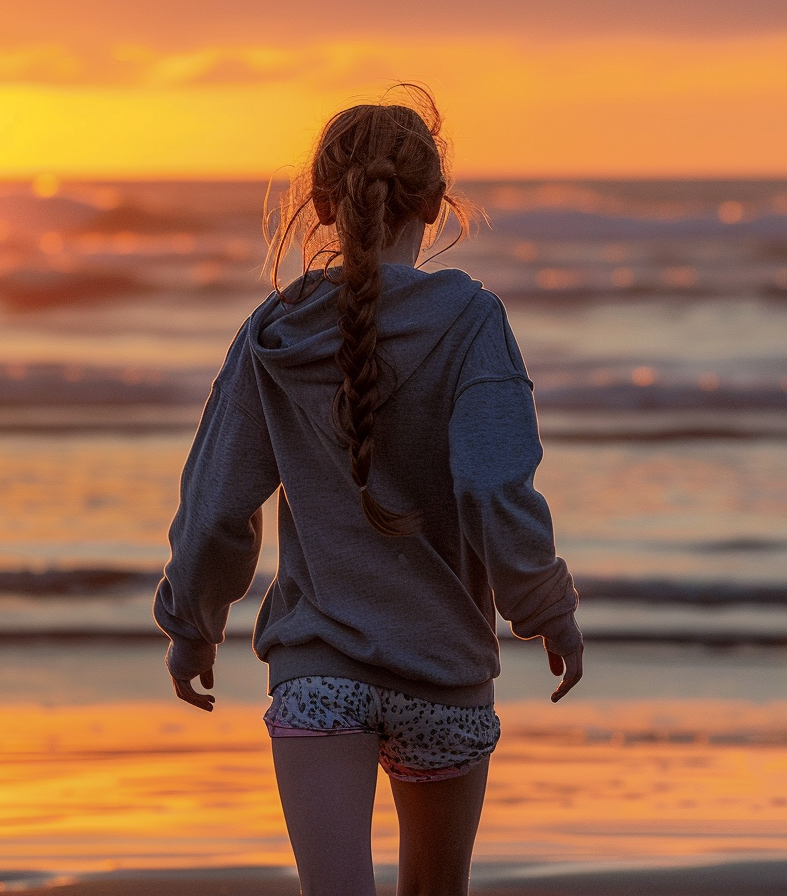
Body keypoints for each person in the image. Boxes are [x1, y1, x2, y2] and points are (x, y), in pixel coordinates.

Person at [153, 84, 583, 896]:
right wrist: (545, 607)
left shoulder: (275, 330)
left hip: (318, 675)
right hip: (444, 672)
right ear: (434, 202)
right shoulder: (472, 320)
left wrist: (192, 627)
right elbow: (493, 486)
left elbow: (217, 506)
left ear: (322, 204)